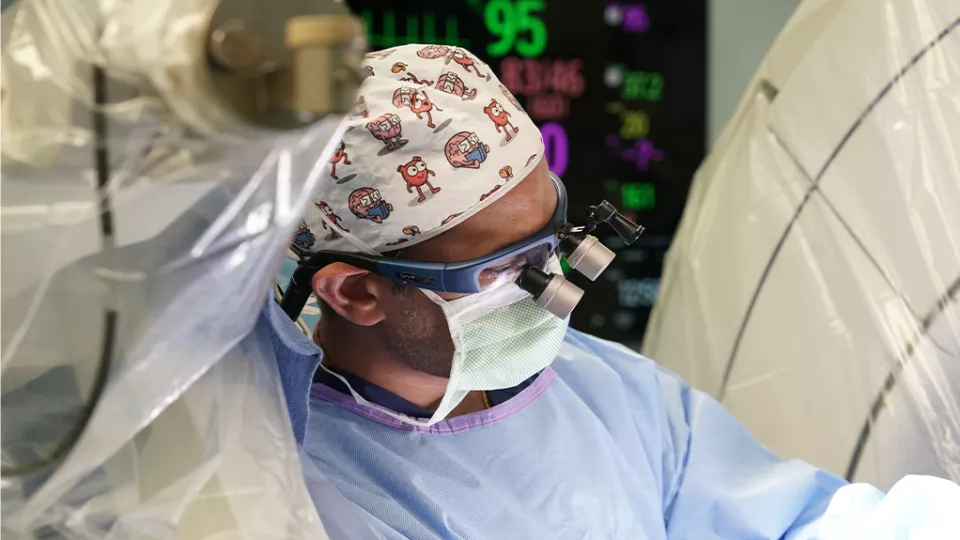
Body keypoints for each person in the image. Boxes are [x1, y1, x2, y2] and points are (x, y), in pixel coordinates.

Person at [271, 44, 846, 539]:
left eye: (555, 240)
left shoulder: (603, 389)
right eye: (502, 269)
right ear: (355, 294)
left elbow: (795, 517)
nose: (552, 286)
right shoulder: (299, 488)